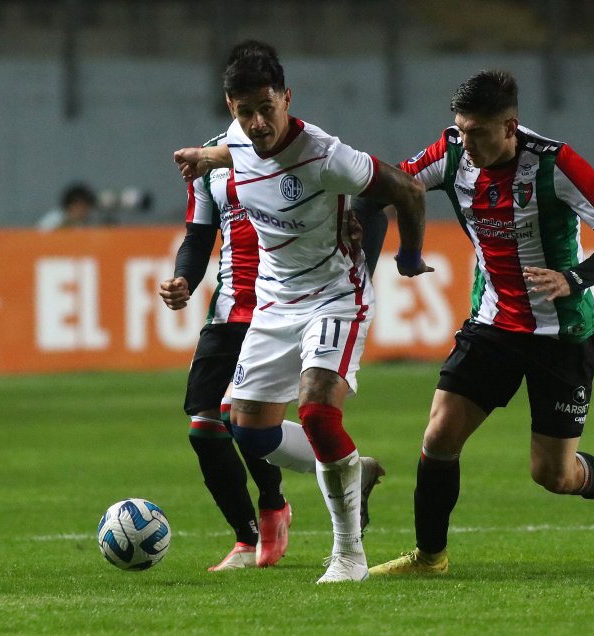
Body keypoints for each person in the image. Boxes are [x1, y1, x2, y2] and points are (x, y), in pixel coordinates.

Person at [357, 69, 594, 577]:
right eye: (461, 129)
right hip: (492, 325)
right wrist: (399, 251)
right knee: (440, 434)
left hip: (560, 335)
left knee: (552, 474)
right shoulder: (451, 152)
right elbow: (386, 192)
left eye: (478, 133)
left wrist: (575, 278)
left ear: (510, 127)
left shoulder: (556, 164)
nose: (466, 143)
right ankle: (430, 558)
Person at [172, 40, 431, 583]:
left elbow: (406, 189)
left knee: (316, 411)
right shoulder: (239, 142)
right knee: (246, 429)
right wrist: (203, 157)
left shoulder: (323, 153)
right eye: (247, 112)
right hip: (273, 300)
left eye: (269, 107)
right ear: (231, 109)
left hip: (336, 295)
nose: (260, 122)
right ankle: (352, 471)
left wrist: (408, 257)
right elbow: (238, 152)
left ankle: (348, 557)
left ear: (287, 97)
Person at [159, 121, 386, 571]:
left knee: (247, 417)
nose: (256, 120)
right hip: (230, 309)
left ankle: (269, 511)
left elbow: (371, 201)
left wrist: (361, 270)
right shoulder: (208, 162)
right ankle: (250, 535)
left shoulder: (299, 149)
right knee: (205, 427)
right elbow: (199, 236)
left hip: (290, 303)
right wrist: (185, 277)